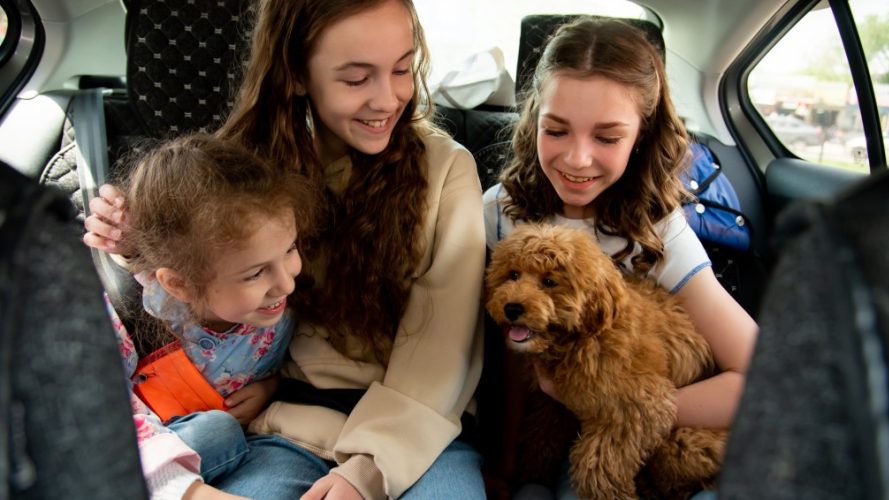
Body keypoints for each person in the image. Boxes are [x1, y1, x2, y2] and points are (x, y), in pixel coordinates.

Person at [83, 1, 487, 499]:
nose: (389, 98)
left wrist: (365, 472)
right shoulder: (243, 170)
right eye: (357, 80)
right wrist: (134, 245)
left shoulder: (447, 169)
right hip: (289, 425)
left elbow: (443, 350)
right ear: (296, 74)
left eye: (403, 69)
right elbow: (199, 282)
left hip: (419, 435)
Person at [482, 18, 758, 499]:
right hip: (542, 438)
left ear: (642, 135)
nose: (577, 158)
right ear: (532, 121)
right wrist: (509, 468)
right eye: (557, 130)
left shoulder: (658, 231)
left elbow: (760, 376)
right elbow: (507, 357)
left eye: (606, 138)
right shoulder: (499, 213)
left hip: (627, 431)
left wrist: (632, 407)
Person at [105, 133, 317, 499]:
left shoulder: (280, 309)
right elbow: (99, 417)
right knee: (216, 433)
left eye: (290, 249)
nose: (285, 283)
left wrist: (273, 387)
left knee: (220, 433)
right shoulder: (125, 315)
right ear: (178, 284)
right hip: (136, 457)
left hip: (229, 448)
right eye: (254, 273)